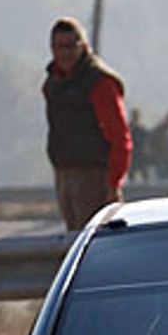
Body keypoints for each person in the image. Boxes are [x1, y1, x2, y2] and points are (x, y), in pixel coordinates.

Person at [43, 17, 131, 230]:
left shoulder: (100, 82)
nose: (65, 53)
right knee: (74, 240)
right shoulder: (53, 82)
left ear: (83, 46)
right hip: (65, 174)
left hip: (94, 176)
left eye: (70, 46)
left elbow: (120, 137)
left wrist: (113, 183)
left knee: (97, 242)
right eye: (58, 47)